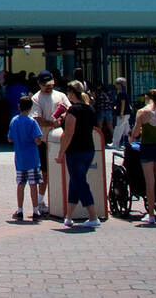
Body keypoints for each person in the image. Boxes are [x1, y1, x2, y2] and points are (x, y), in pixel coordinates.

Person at [54, 80, 102, 228]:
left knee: (80, 183)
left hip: (75, 151)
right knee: (75, 181)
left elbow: (68, 133)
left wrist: (61, 153)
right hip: (89, 149)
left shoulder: (74, 110)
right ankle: (68, 216)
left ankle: (93, 216)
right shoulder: (89, 109)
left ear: (71, 93)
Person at [131, 88, 156, 224]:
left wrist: (143, 129)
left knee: (150, 181)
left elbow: (135, 133)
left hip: (146, 147)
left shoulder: (142, 112)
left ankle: (151, 214)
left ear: (147, 98)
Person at [29, 71, 66, 214]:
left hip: (59, 138)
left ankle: (59, 199)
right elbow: (36, 118)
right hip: (44, 140)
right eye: (45, 85)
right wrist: (51, 122)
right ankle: (40, 201)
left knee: (61, 170)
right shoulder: (36, 98)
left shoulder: (60, 95)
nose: (49, 87)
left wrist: (61, 118)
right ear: (39, 84)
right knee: (44, 172)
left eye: (50, 84)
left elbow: (68, 109)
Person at [8, 95, 44, 221]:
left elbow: (10, 138)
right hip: (32, 158)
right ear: (31, 108)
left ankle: (20, 210)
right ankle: (35, 210)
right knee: (33, 184)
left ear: (19, 106)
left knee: (20, 184)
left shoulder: (14, 121)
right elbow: (37, 140)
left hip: (20, 158)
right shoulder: (32, 122)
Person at [109, 77, 131, 148]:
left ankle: (115, 143)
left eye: (116, 83)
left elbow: (123, 103)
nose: (115, 85)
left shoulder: (121, 93)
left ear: (120, 84)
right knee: (126, 129)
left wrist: (121, 112)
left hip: (123, 114)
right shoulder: (123, 92)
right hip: (126, 113)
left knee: (118, 128)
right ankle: (131, 141)